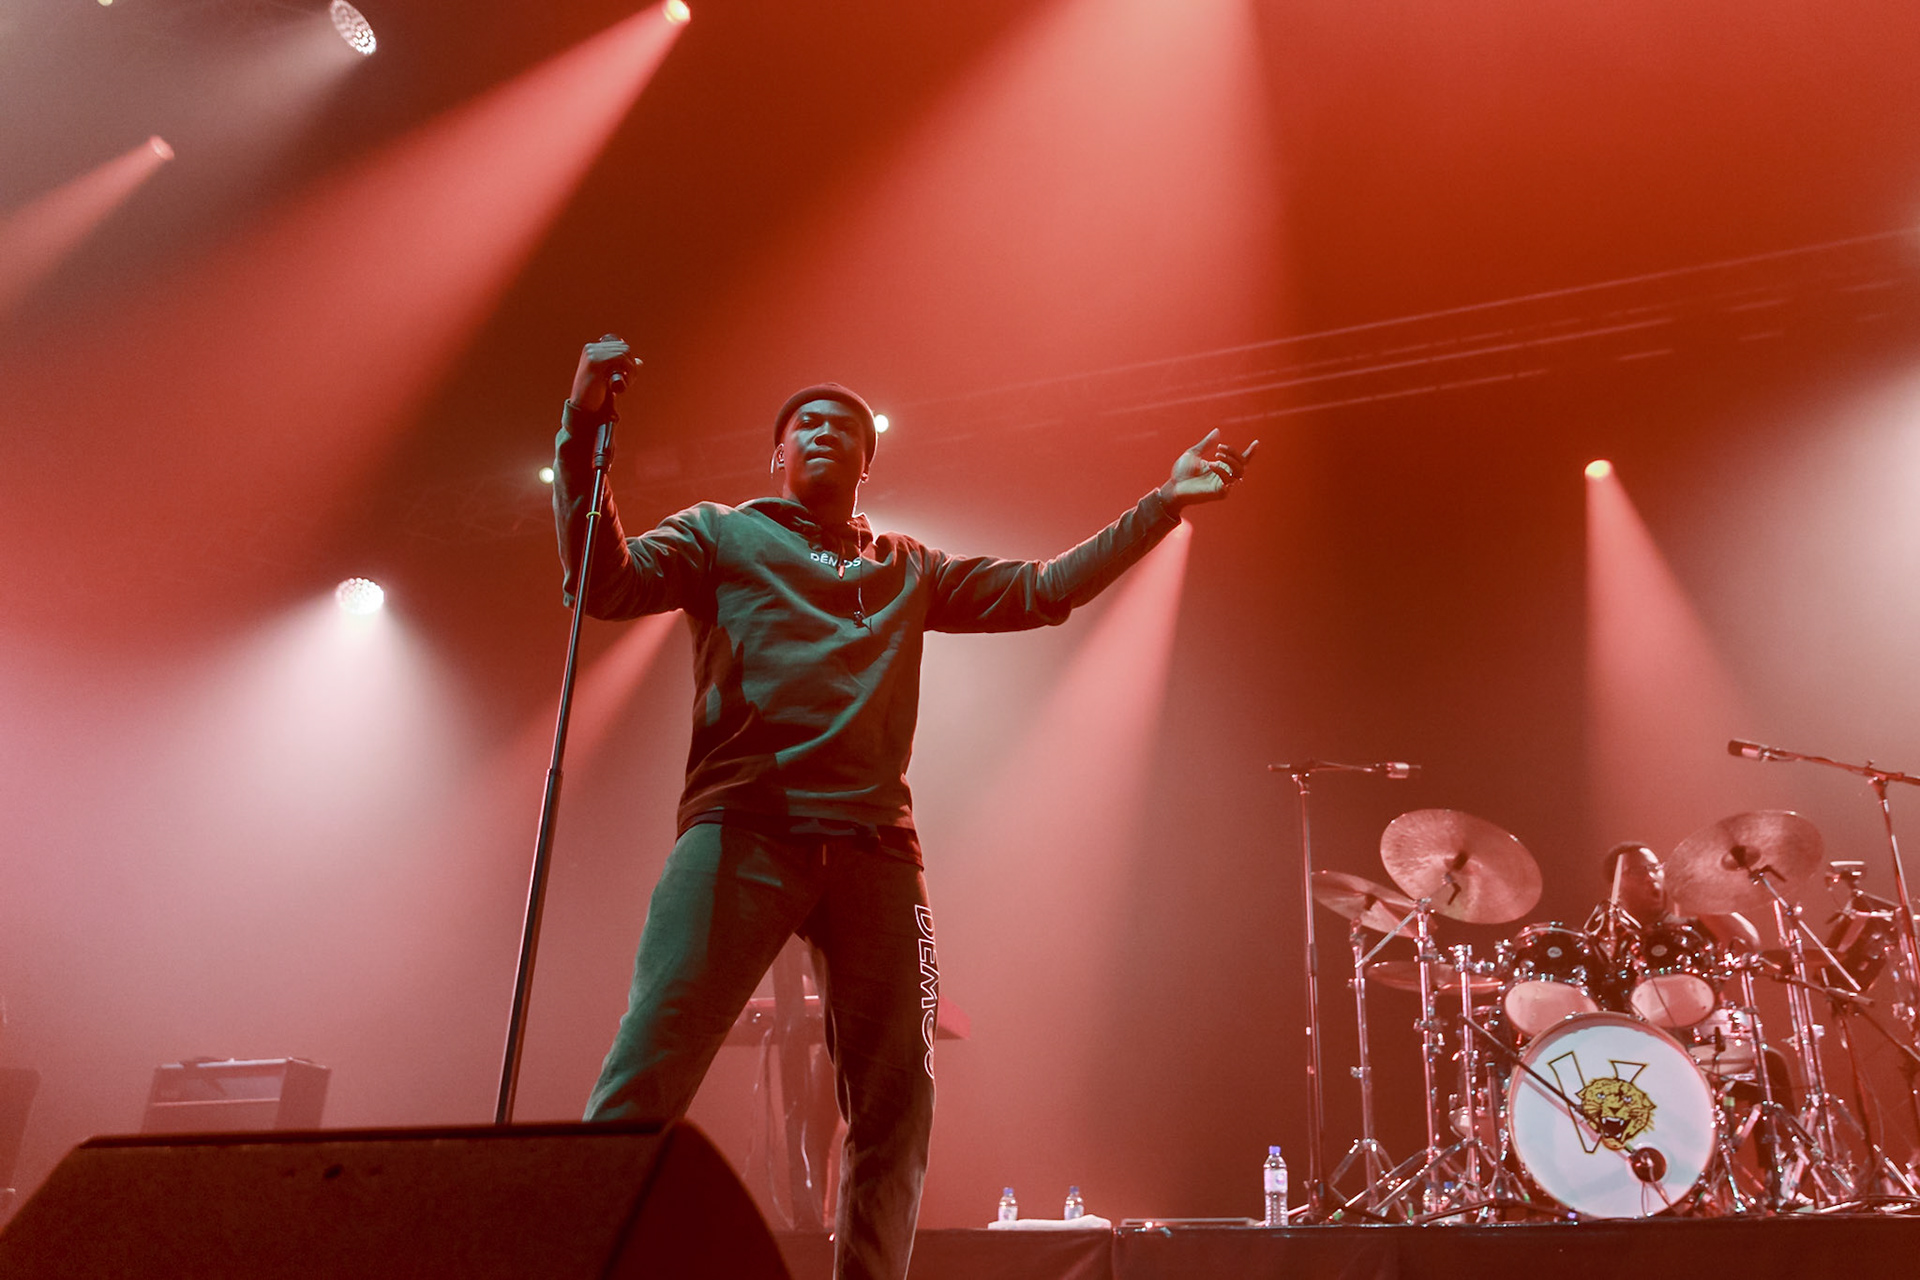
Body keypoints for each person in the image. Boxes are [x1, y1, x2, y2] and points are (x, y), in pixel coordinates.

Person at [550, 336, 1255, 1280]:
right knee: (649, 1069)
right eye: (806, 422)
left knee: (899, 1106)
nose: (825, 431)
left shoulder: (908, 566)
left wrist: (1161, 507)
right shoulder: (721, 533)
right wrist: (583, 425)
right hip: (742, 828)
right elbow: (606, 584)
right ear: (778, 454)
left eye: (845, 424)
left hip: (879, 852)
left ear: (867, 461)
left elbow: (1044, 592)